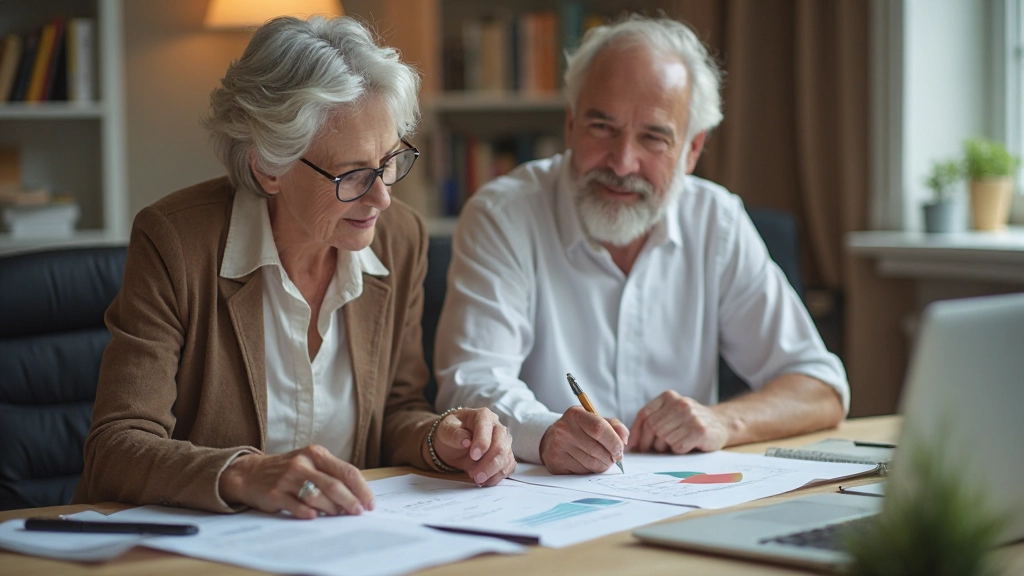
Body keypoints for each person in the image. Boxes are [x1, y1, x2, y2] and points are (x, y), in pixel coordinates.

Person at [73, 16, 515, 518]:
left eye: (390, 160)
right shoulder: (175, 242)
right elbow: (115, 446)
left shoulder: (400, 240)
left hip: (346, 540)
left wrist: (440, 438)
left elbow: (396, 409)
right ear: (269, 165)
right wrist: (242, 474)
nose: (382, 197)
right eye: (353, 174)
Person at [434, 15, 848, 475]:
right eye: (601, 127)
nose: (623, 162)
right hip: (542, 501)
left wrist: (723, 421)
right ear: (571, 126)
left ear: (691, 150)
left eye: (653, 136)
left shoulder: (717, 221)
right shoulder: (504, 214)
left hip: (681, 505)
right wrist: (546, 431)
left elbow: (820, 386)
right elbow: (469, 384)